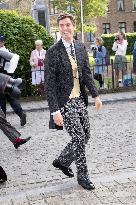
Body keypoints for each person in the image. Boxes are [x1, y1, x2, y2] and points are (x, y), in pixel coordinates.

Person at [45, 13, 102, 190]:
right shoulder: (53, 52)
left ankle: (62, 161)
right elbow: (49, 84)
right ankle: (83, 176)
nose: (64, 28)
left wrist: (95, 96)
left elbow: (86, 73)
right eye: (61, 25)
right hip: (65, 103)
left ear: (73, 26)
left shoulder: (80, 47)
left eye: (67, 25)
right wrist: (55, 111)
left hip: (79, 99)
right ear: (59, 28)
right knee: (78, 138)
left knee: (86, 136)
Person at [0, 34, 26, 126]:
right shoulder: (6, 50)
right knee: (11, 98)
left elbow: (15, 57)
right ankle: (21, 113)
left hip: (2, 78)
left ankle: (3, 121)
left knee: (1, 100)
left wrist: (10, 72)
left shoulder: (2, 51)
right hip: (8, 77)